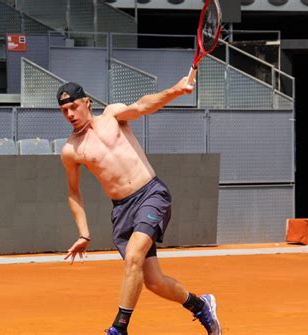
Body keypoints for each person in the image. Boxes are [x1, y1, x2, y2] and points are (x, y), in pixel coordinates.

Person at [59, 78, 221, 335]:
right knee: (153, 282)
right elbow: (73, 193)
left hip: (150, 194)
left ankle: (119, 328)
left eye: (73, 107)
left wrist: (175, 91)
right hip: (122, 210)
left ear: (87, 103)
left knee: (134, 256)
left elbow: (143, 106)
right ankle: (201, 305)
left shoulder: (112, 115)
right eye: (64, 110)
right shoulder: (71, 150)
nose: (69, 114)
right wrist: (83, 233)